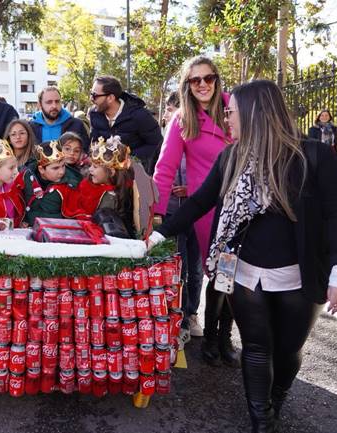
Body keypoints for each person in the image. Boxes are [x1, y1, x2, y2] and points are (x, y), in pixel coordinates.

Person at [148, 79, 337, 433]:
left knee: (288, 350)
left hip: (299, 274)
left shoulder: (314, 157)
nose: (226, 119)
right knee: (256, 347)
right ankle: (262, 420)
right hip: (243, 271)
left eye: (231, 113)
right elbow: (200, 201)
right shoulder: (231, 157)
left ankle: (277, 398)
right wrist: (158, 233)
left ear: (255, 114)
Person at [152, 56, 238, 367]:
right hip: (206, 210)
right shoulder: (181, 120)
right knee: (217, 272)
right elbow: (164, 169)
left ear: (217, 79)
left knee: (235, 273)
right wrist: (157, 216)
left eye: (209, 78)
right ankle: (213, 338)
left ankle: (225, 335)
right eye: (195, 80)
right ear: (187, 85)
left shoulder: (236, 108)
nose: (203, 85)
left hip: (244, 206)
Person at [161, 91, 204, 342]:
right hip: (173, 213)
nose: (170, 114)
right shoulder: (166, 136)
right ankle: (181, 319)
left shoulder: (202, 141)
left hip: (198, 212)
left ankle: (192, 313)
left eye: (175, 109)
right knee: (181, 268)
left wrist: (192, 189)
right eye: (169, 109)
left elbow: (211, 175)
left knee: (196, 270)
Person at [88, 75, 162, 172]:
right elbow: (95, 141)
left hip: (135, 174)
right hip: (107, 174)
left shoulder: (140, 115)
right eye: (91, 93)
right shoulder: (94, 114)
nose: (91, 98)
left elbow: (156, 144)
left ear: (110, 98)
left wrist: (129, 158)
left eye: (95, 95)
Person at [76, 136, 135, 236]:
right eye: (91, 165)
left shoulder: (110, 197)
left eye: (95, 167)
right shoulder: (90, 184)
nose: (90, 170)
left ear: (111, 172)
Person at [16, 141, 83, 225]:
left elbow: (72, 219)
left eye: (63, 166)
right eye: (56, 168)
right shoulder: (24, 177)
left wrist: (31, 219)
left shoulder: (72, 183)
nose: (61, 172)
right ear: (41, 169)